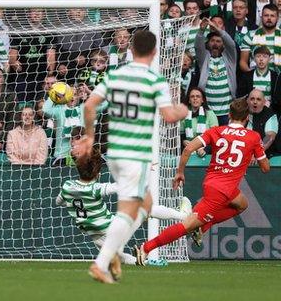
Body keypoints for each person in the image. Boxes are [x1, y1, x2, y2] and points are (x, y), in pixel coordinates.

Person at [74, 30, 188, 283]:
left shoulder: (115, 74)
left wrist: (90, 136)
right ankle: (103, 262)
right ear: (155, 52)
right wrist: (182, 110)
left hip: (115, 151)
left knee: (145, 205)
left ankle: (111, 254)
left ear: (132, 50)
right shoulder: (154, 79)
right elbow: (169, 117)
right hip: (135, 153)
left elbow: (89, 105)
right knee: (129, 209)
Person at [135, 98, 270, 263]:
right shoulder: (253, 136)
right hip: (221, 191)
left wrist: (180, 173)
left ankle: (203, 226)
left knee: (242, 203)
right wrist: (249, 157)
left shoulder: (215, 131)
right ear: (247, 118)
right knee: (187, 225)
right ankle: (147, 248)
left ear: (229, 115)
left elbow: (188, 149)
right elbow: (265, 168)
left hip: (213, 183)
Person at [56, 147, 191, 266]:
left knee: (118, 258)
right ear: (97, 173)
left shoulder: (67, 186)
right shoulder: (95, 188)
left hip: (95, 235)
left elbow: (59, 202)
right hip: (112, 229)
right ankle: (183, 215)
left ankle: (141, 260)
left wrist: (72, 198)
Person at [181, 87, 219, 156]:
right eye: (192, 96)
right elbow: (181, 135)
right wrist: (183, 141)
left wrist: (205, 149)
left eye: (198, 96)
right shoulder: (184, 114)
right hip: (189, 151)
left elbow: (215, 138)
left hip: (206, 151)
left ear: (202, 100)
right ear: (189, 100)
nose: (195, 98)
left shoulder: (210, 114)